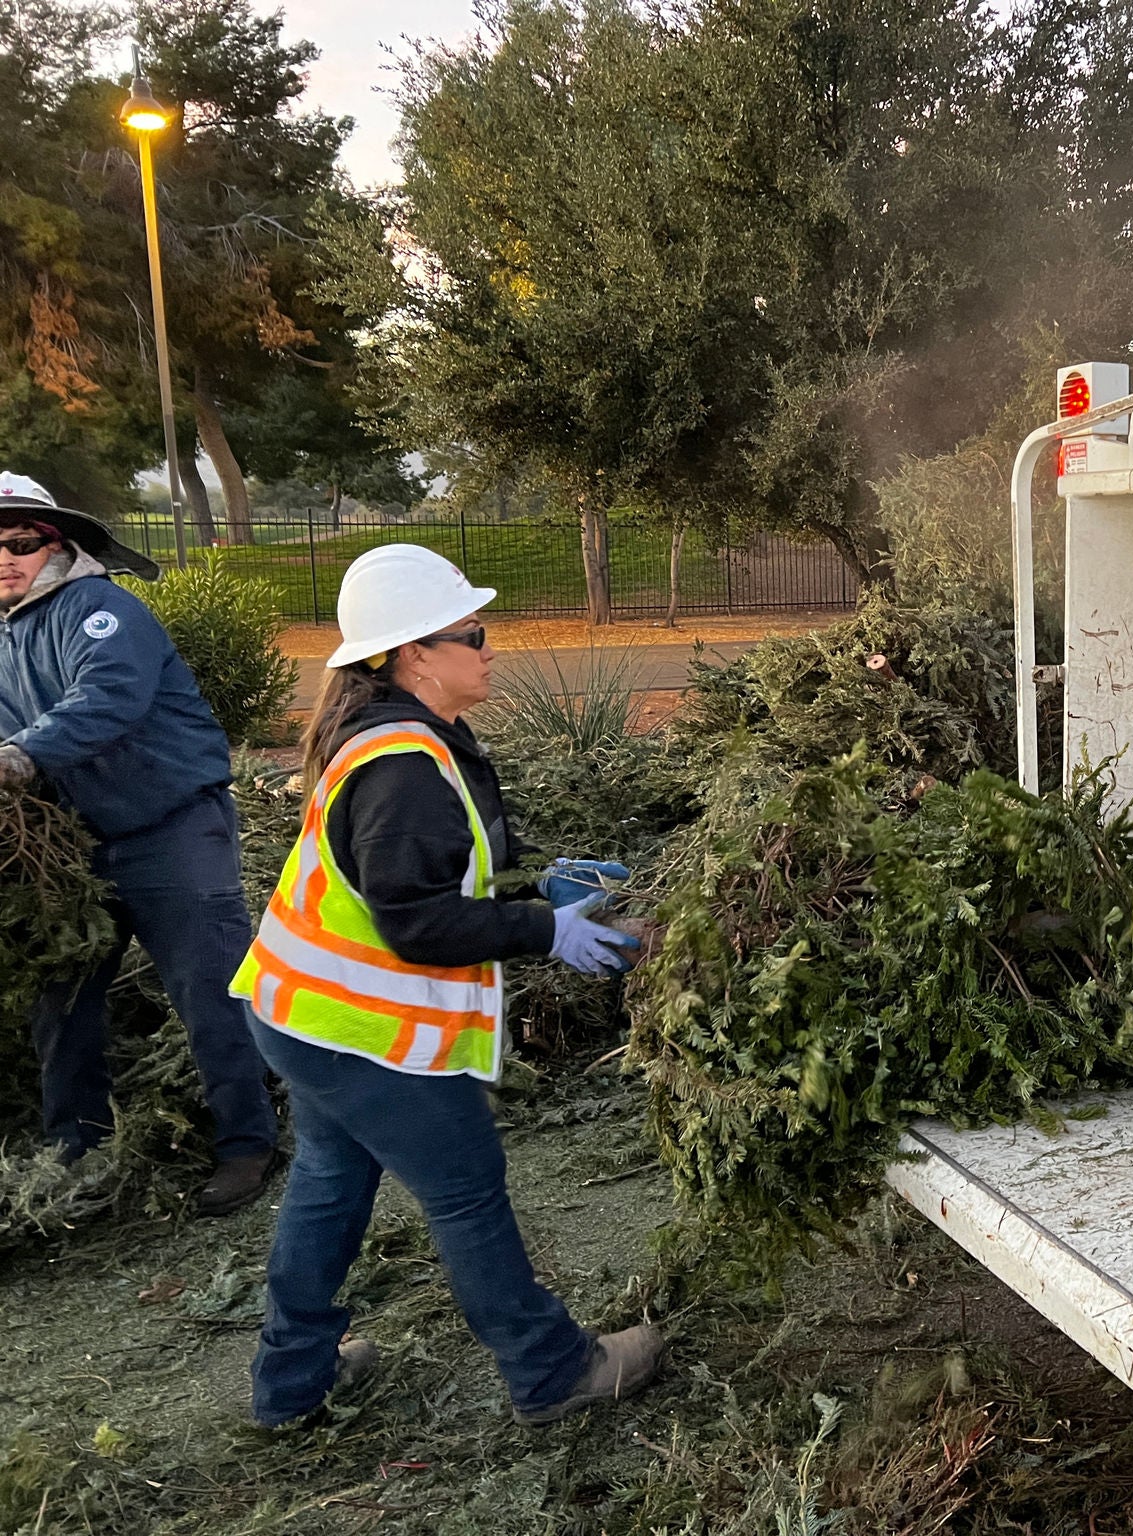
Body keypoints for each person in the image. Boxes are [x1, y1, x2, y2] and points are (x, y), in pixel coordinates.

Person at [230, 542, 661, 1428]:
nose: (491, 648)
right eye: (476, 633)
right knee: (465, 1189)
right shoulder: (401, 767)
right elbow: (416, 920)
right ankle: (551, 1372)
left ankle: (290, 1382)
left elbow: (434, 872)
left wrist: (538, 885)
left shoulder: (405, 736)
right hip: (358, 1036)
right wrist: (548, 931)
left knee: (328, 1182)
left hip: (297, 1014)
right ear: (415, 654)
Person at [0, 472, 277, 1214]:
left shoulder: (98, 609)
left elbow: (107, 696)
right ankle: (76, 1161)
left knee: (210, 992)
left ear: (55, 546)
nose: (5, 558)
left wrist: (19, 757)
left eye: (20, 542)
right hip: (76, 847)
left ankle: (248, 1145)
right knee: (59, 1002)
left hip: (170, 827)